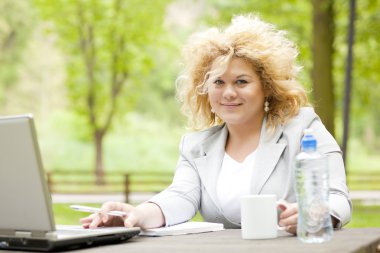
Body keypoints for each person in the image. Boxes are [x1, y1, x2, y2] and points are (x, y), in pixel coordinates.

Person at [80, 14, 352, 234]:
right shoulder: (196, 145)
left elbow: (338, 197)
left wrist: (315, 213)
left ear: (267, 87)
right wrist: (136, 215)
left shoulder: (303, 126)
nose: (228, 93)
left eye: (241, 82)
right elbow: (181, 197)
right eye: (218, 82)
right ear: (205, 90)